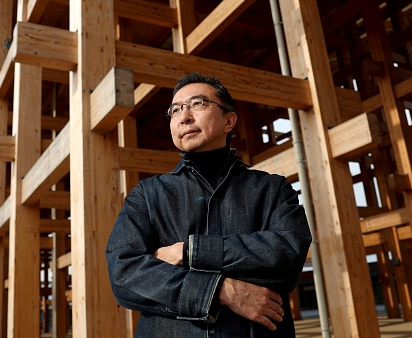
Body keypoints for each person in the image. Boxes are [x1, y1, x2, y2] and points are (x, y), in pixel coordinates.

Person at [106, 72, 312, 337]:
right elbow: (125, 275)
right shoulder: (147, 195)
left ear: (229, 120)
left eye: (197, 104)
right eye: (175, 110)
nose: (184, 116)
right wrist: (220, 292)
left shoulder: (272, 189)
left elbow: (286, 255)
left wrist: (190, 251)